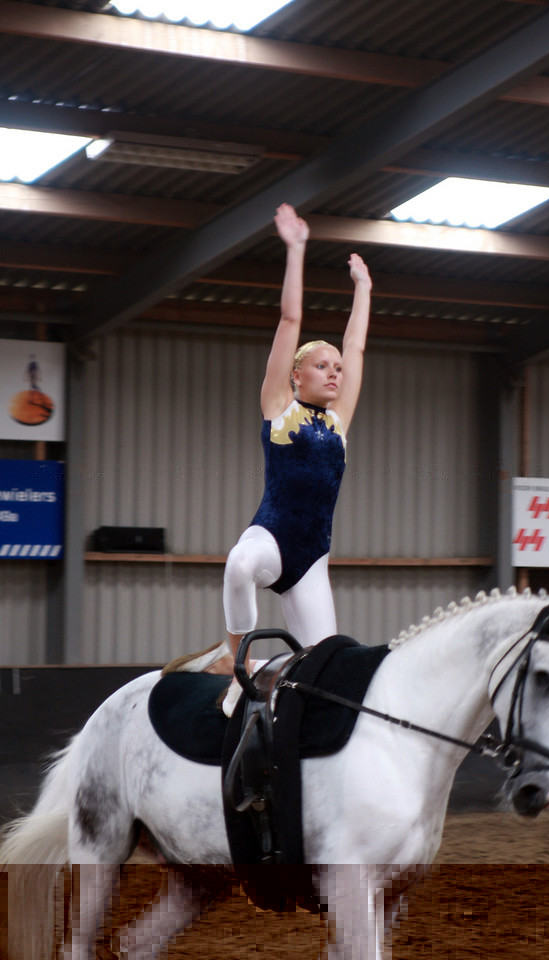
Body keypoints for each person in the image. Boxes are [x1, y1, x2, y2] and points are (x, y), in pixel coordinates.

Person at [165, 203, 372, 712]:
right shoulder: (279, 408)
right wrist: (296, 249)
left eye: (337, 369)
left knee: (325, 669)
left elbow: (356, 347)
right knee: (239, 565)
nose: (334, 373)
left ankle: (281, 706)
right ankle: (238, 667)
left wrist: (364, 289)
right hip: (272, 538)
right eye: (321, 366)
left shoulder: (338, 423)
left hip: (311, 559)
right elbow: (290, 318)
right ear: (296, 376)